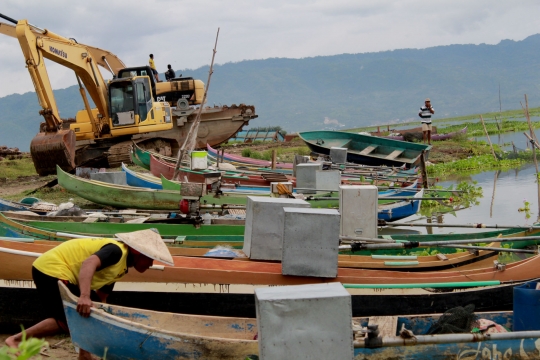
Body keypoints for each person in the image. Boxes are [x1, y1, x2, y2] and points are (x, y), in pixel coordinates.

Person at [5, 229, 174, 360]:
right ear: (138, 252)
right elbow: (89, 263)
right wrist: (84, 296)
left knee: (86, 314)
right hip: (52, 269)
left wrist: (105, 318)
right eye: (150, 258)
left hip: (64, 274)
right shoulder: (116, 251)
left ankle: (84, 354)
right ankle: (15, 340)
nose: (151, 264)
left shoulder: (121, 268)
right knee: (68, 318)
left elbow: (101, 299)